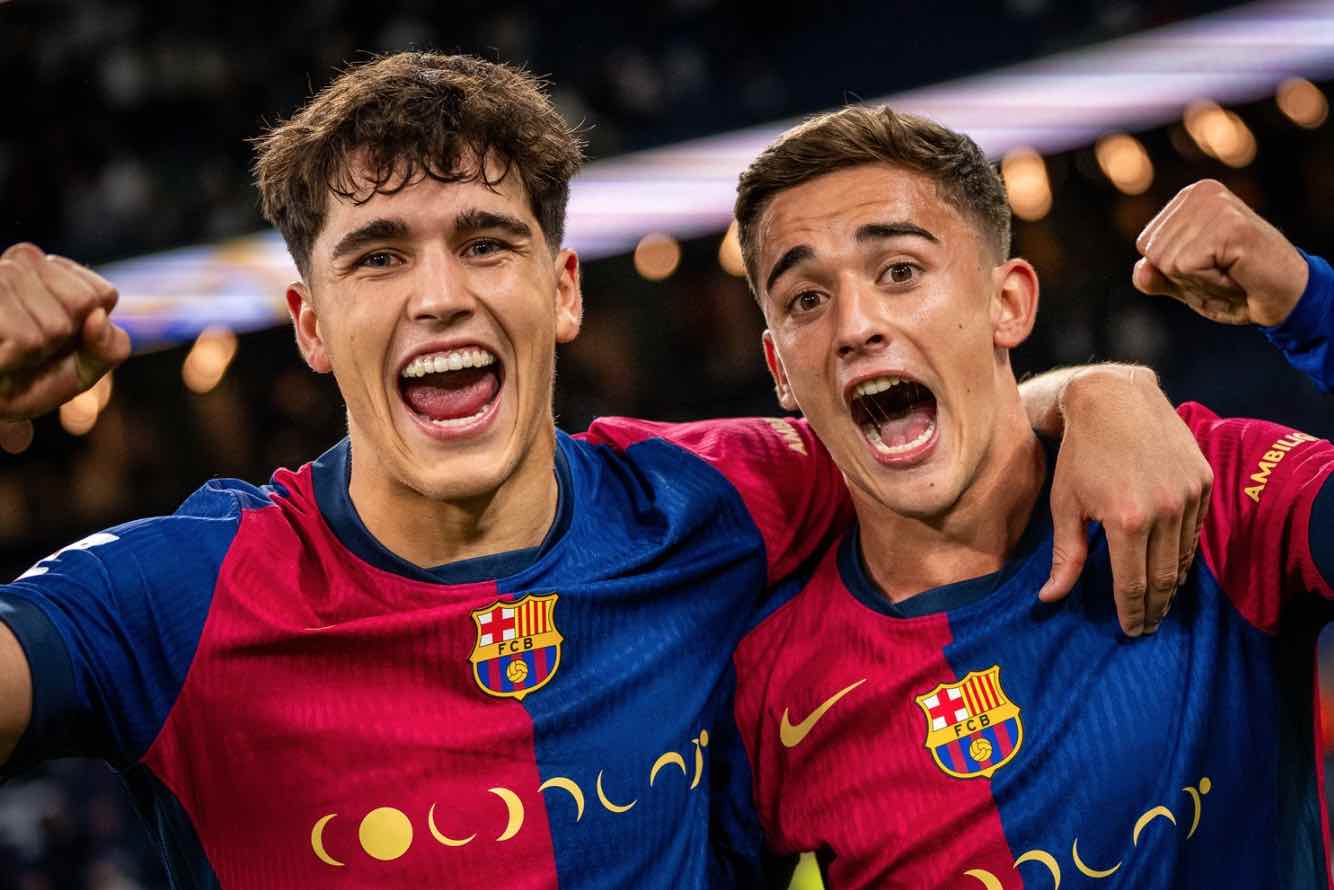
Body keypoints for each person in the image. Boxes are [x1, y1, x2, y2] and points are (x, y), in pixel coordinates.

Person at [0, 54, 1208, 888]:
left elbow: (923, 423)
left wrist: (1096, 392)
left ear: (562, 291)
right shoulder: (177, 596)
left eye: (486, 242)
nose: (439, 295)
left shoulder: (718, 499)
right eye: (377, 256)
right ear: (311, 326)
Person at [728, 105, 1334, 888]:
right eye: (806, 299)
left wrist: (1309, 302)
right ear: (780, 369)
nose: (855, 325)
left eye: (900, 272)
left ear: (1008, 303)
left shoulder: (1203, 487)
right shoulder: (766, 681)